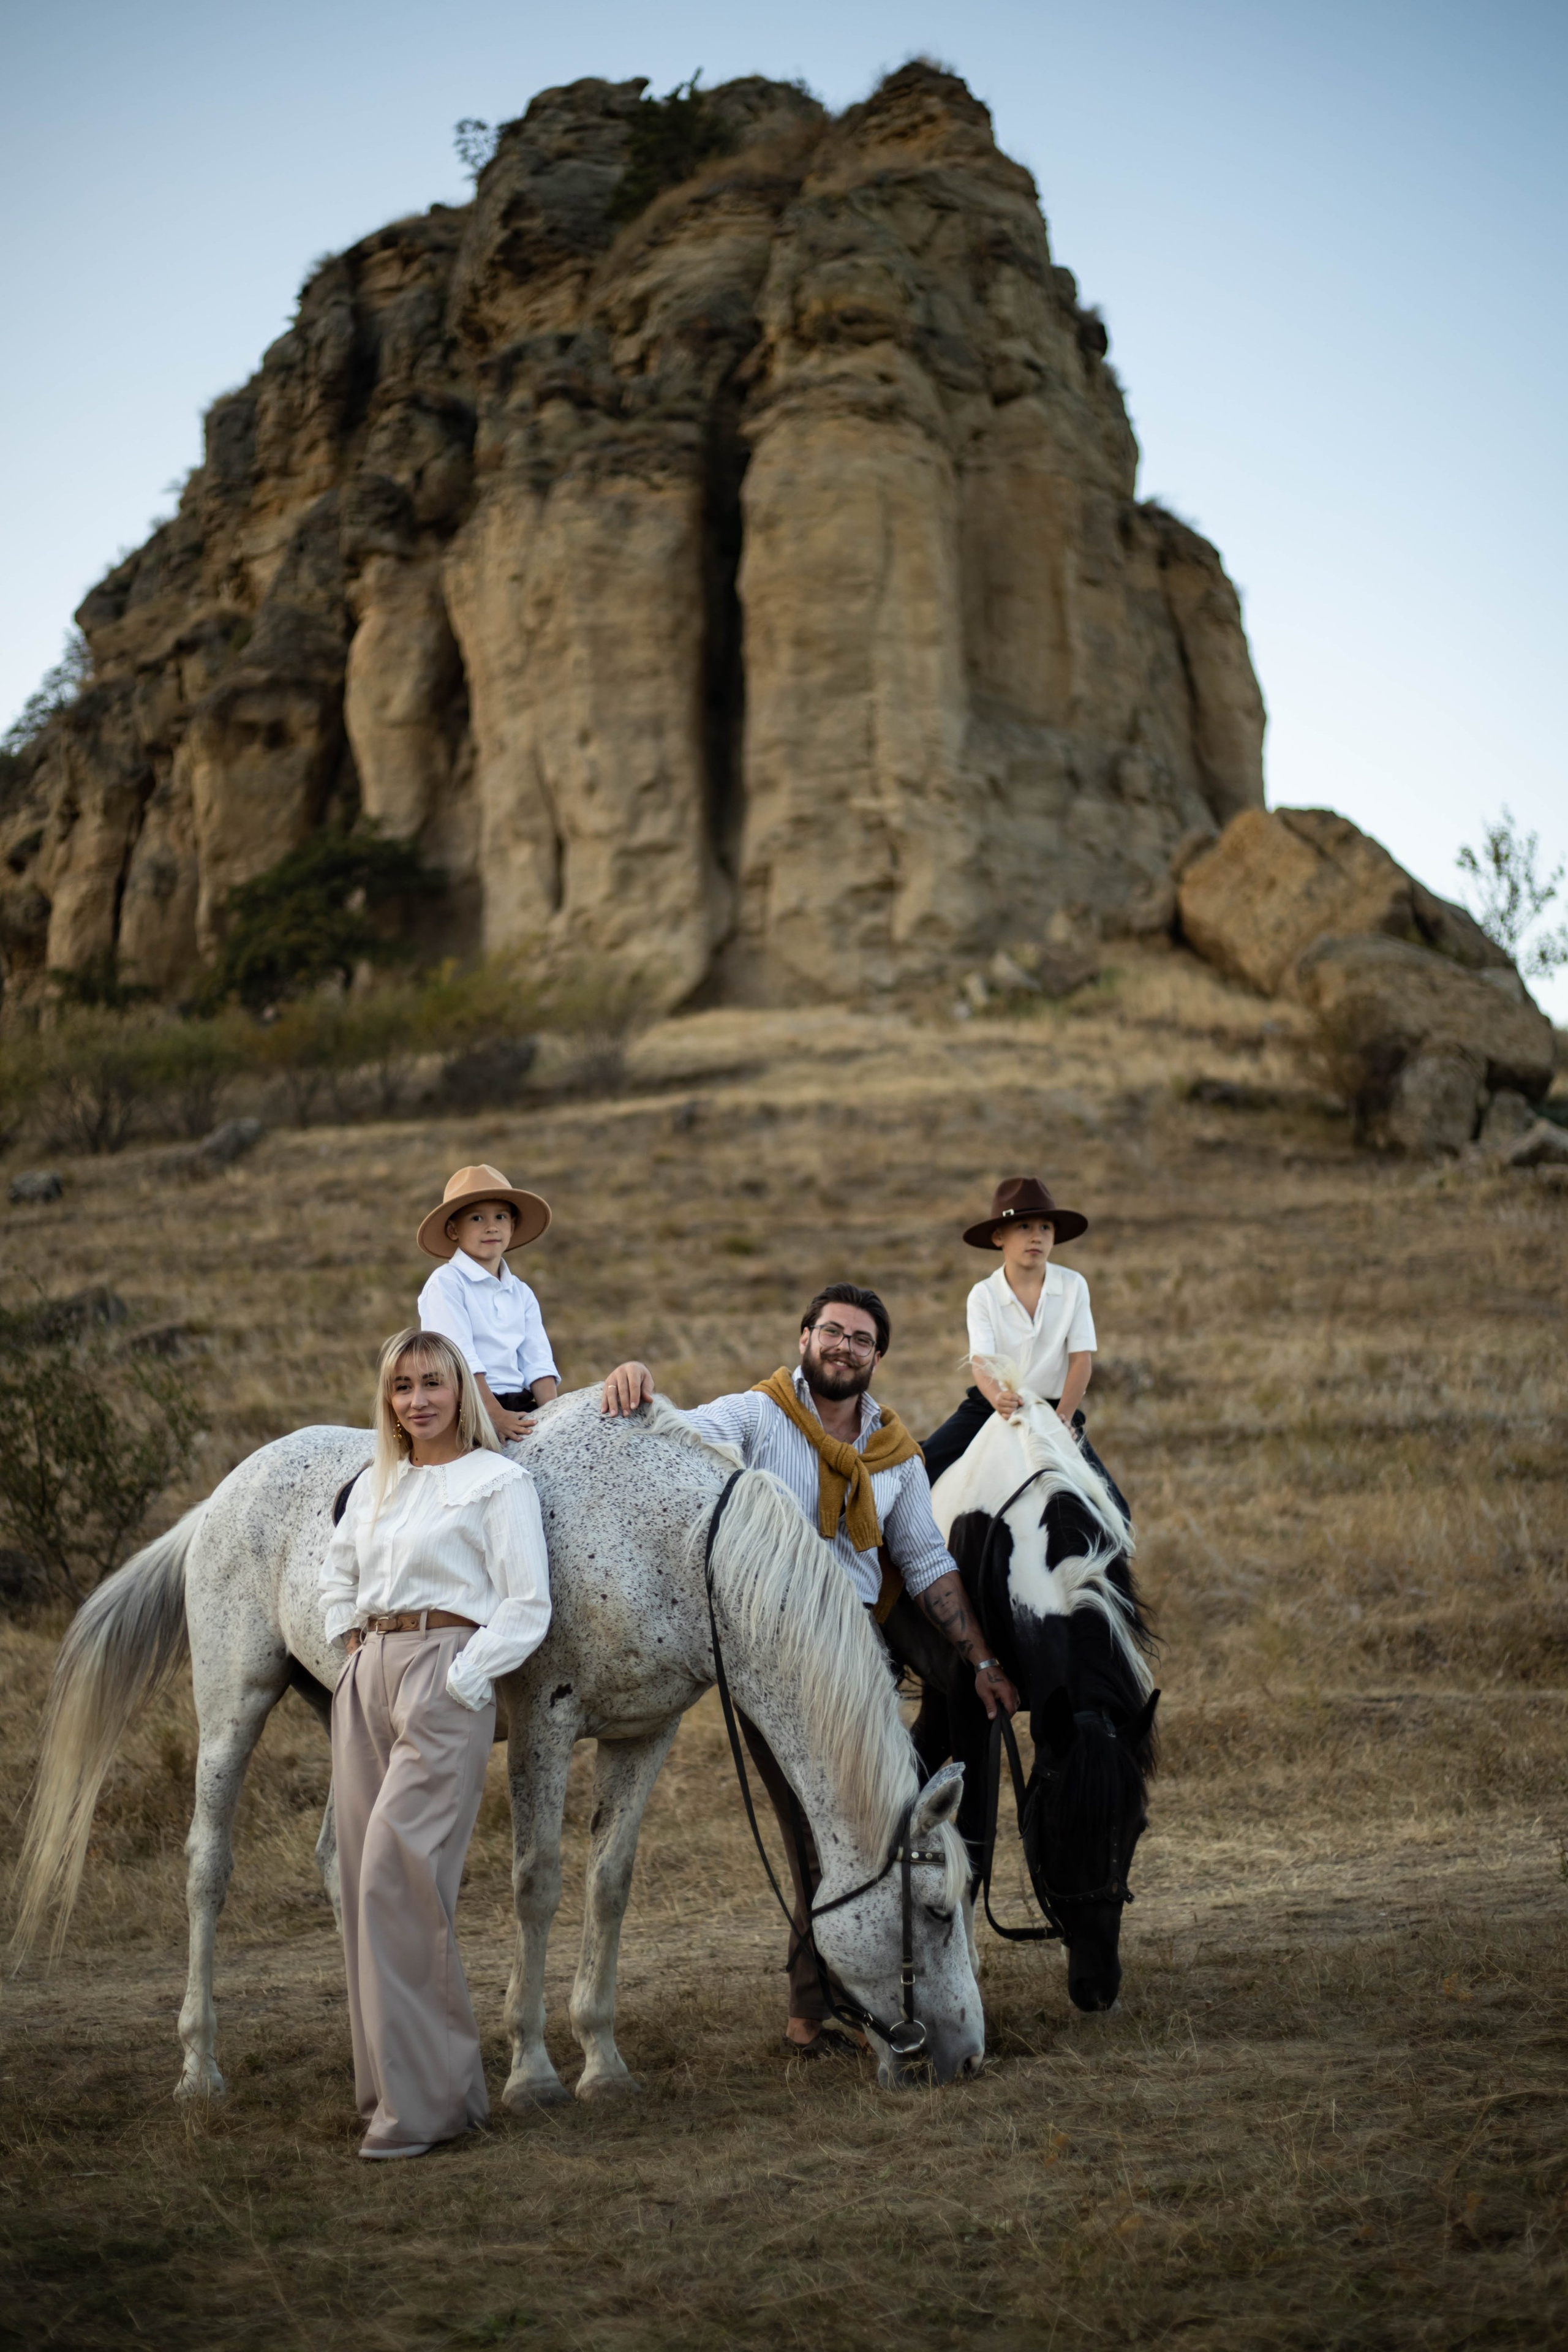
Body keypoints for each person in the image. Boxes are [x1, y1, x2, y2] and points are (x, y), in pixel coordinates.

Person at [600, 1284, 1019, 2059]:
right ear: (804, 1339)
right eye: (832, 1332)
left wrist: (982, 1658)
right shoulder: (759, 1417)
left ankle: (913, 1966)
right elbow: (677, 1442)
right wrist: (633, 1381)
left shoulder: (894, 1453)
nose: (844, 1347)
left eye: (861, 1340)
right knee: (814, 1833)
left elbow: (925, 1560)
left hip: (859, 1656)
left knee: (878, 1826)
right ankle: (812, 2015)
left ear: (877, 1358)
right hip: (778, 1661)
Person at [320, 1327, 552, 2159]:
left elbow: (526, 1604)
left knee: (398, 1878)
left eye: (433, 1383)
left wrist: (464, 1676)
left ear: (462, 1389)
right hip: (367, 1677)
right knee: (362, 1886)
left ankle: (419, 2113)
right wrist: (350, 1647)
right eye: (402, 1387)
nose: (418, 1400)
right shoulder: (379, 1482)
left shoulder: (496, 1484)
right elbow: (337, 1570)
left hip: (445, 1676)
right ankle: (411, 2089)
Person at [921, 1174, 1120, 1502]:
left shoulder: (1073, 1286)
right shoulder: (982, 1294)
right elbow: (981, 1362)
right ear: (999, 1236)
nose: (1036, 1237)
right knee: (923, 1465)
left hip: (1056, 1409)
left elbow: (1081, 1360)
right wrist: (997, 1396)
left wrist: (1065, 1418)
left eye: (1045, 1227)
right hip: (994, 1405)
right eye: (1024, 1227)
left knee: (1115, 1507)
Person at [416, 1164, 560, 1444]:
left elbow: (538, 1363)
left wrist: (555, 1418)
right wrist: (495, 1415)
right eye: (477, 1218)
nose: (492, 1227)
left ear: (513, 1226)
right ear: (453, 1230)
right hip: (467, 1408)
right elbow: (459, 1361)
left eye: (501, 1217)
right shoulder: (446, 1283)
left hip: (519, 1403)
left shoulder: (521, 1291)